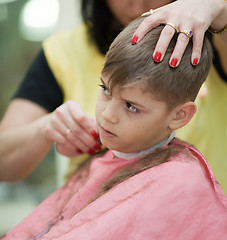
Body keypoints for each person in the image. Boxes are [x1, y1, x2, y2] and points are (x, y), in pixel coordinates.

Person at [2, 16, 227, 240]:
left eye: (131, 106)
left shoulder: (180, 181)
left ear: (179, 115)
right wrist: (45, 128)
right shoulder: (104, 156)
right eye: (106, 90)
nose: (107, 115)